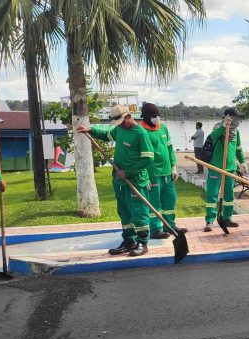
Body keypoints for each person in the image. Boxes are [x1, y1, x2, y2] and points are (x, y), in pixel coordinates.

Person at [78, 106, 154, 256]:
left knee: (139, 212)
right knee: (124, 212)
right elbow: (107, 135)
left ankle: (142, 243)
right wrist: (90, 130)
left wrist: (128, 172)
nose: (119, 125)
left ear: (128, 116)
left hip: (136, 181)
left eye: (121, 121)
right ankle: (129, 241)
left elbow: (148, 158)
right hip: (120, 181)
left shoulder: (141, 134)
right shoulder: (119, 129)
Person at [138, 103, 181, 239]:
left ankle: (170, 226)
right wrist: (144, 176)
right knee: (154, 202)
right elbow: (138, 155)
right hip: (152, 174)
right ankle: (155, 229)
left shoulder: (163, 128)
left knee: (170, 200)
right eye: (153, 116)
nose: (157, 118)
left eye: (158, 115)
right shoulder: (140, 131)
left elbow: (169, 149)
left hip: (167, 173)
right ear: (145, 117)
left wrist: (174, 167)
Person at [203, 107, 247, 232]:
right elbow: (212, 137)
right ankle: (209, 220)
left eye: (239, 118)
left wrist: (243, 162)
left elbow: (238, 148)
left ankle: (227, 218)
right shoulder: (218, 128)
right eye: (236, 118)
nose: (238, 120)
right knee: (212, 195)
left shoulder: (236, 132)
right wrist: (223, 127)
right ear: (229, 117)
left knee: (229, 195)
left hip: (230, 169)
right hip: (216, 167)